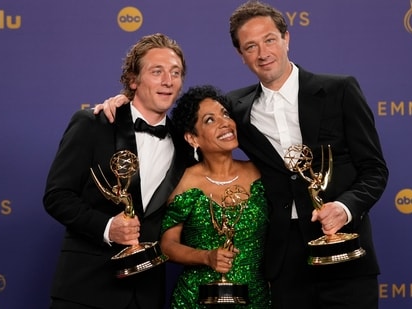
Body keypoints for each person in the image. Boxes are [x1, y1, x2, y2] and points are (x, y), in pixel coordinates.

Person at [95, 1, 389, 308]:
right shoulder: (235, 109)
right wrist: (126, 102)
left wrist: (344, 208)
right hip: (282, 262)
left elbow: (374, 170)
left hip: (343, 249)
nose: (263, 53)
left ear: (286, 39)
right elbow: (191, 128)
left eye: (270, 40)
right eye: (251, 46)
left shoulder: (339, 90)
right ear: (241, 55)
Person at [43, 33, 190, 309]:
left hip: (146, 295)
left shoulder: (186, 146)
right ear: (133, 80)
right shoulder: (94, 123)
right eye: (156, 71)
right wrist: (108, 228)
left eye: (175, 73)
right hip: (85, 290)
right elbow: (57, 196)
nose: (168, 81)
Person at [160, 85, 271, 308]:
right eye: (210, 120)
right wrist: (207, 257)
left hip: (255, 298)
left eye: (225, 114)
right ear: (192, 138)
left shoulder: (261, 173)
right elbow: (167, 245)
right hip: (196, 300)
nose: (225, 123)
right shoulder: (183, 183)